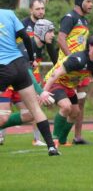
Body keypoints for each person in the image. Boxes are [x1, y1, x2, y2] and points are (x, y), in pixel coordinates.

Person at [0, 9, 59, 156]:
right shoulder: (9, 14)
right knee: (35, 110)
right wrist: (31, 59)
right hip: (19, 65)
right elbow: (25, 36)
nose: (53, 35)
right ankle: (51, 147)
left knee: (7, 116)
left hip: (3, 68)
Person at [40, 34, 93, 147]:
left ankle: (62, 139)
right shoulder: (78, 59)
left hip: (68, 86)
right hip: (55, 82)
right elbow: (55, 74)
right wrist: (43, 92)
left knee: (75, 112)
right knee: (66, 107)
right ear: (90, 46)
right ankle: (53, 139)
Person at [57, 0, 93, 145]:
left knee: (81, 101)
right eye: (88, 1)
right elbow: (60, 39)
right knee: (68, 105)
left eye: (92, 2)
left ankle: (77, 137)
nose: (91, 5)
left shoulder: (84, 21)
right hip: (69, 67)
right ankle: (56, 137)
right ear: (79, 2)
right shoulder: (69, 17)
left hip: (81, 68)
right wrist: (71, 59)